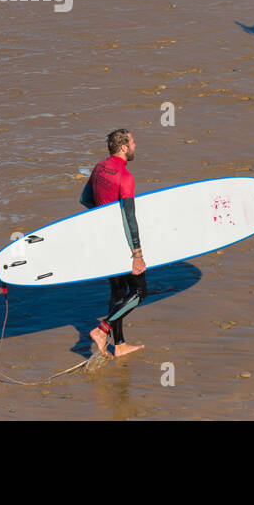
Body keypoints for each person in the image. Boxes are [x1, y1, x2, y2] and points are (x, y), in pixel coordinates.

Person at [83, 129, 146, 358]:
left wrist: (103, 216)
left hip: (103, 240)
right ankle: (103, 330)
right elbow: (130, 217)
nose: (135, 145)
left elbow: (85, 199)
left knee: (118, 291)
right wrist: (137, 253)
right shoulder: (125, 176)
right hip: (120, 241)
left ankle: (119, 345)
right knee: (140, 291)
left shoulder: (99, 168)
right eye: (132, 142)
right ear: (123, 147)